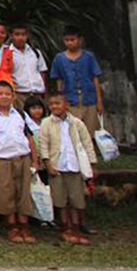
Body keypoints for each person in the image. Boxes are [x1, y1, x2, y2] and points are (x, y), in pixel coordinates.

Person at [0, 81, 40, 244]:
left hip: (22, 158)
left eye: (8, 94)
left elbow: (29, 138)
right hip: (2, 160)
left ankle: (24, 225)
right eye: (0, 94)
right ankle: (11, 226)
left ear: (13, 96)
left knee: (22, 192)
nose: (4, 97)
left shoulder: (20, 115)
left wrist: (35, 160)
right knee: (5, 193)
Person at [39, 91, 97, 245]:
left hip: (75, 166)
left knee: (76, 200)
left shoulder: (76, 123)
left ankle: (77, 228)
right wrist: (48, 164)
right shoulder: (46, 123)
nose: (54, 106)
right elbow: (43, 145)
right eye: (51, 104)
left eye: (57, 103)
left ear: (66, 105)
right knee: (60, 200)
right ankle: (66, 228)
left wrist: (92, 164)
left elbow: (87, 144)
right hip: (57, 166)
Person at [50, 26, 104, 139]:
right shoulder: (59, 58)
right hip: (70, 98)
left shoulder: (88, 57)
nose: (70, 43)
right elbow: (59, 79)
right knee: (73, 130)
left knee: (90, 130)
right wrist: (60, 99)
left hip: (89, 97)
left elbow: (95, 77)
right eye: (67, 40)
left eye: (72, 40)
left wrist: (99, 100)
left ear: (80, 40)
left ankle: (88, 153)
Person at [9, 23, 48, 108]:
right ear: (11, 36)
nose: (20, 37)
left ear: (27, 35)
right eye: (17, 34)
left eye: (23, 34)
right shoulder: (8, 54)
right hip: (20, 94)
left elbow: (42, 72)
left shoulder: (35, 52)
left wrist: (42, 88)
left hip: (37, 93)